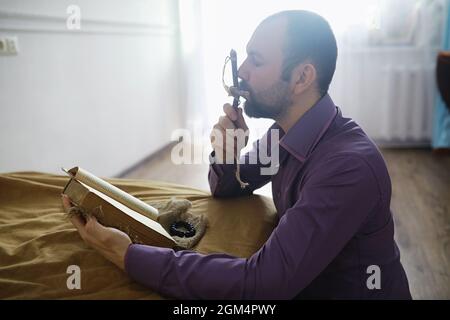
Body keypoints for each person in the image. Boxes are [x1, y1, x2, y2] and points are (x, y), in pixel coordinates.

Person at [62, 10, 412, 299]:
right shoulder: (285, 133)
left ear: (302, 77)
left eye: (256, 61)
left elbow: (264, 284)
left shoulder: (349, 166)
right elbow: (229, 187)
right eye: (244, 57)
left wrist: (126, 254)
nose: (242, 70)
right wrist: (227, 152)